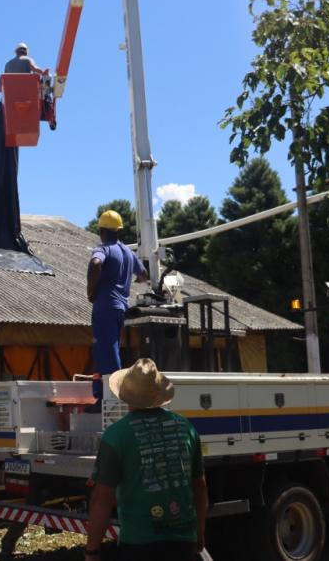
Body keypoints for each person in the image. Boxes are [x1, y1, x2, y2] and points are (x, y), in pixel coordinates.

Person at [84, 359, 208, 560]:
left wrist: (92, 550)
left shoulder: (116, 435)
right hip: (183, 542)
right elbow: (199, 486)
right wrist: (199, 534)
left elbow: (102, 498)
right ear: (159, 394)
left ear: (126, 395)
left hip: (137, 544)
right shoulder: (186, 428)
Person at [86, 209, 146, 402]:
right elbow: (143, 274)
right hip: (121, 307)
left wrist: (90, 290)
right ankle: (101, 391)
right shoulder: (128, 253)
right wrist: (131, 280)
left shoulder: (103, 249)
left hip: (105, 306)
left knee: (106, 349)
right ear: (118, 230)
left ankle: (113, 393)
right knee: (109, 347)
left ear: (102, 230)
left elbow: (95, 263)